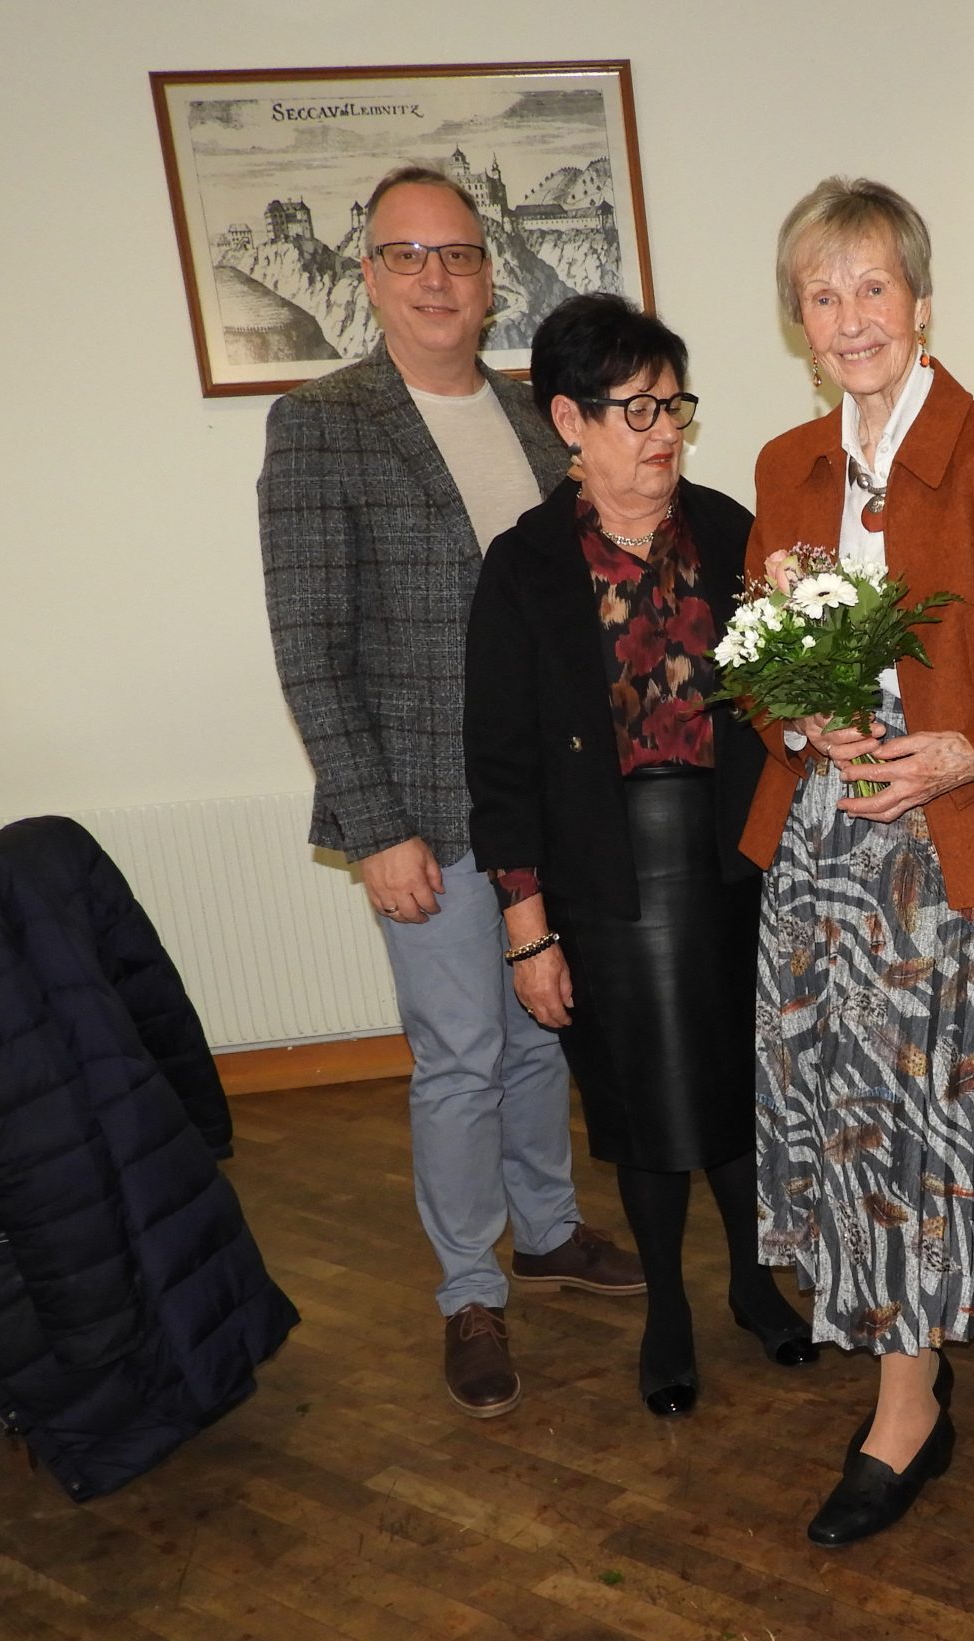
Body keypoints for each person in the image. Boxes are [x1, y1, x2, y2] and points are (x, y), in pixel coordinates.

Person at [259, 164, 641, 1423]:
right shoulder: (323, 423)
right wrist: (377, 829)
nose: (437, 278)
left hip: (539, 800)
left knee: (538, 1032)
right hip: (421, 803)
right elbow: (311, 649)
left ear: (489, 276)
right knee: (461, 1054)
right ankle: (470, 1290)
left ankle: (548, 1230)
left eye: (459, 254)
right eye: (407, 255)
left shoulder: (537, 417)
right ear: (369, 275)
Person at [745, 178, 974, 1547]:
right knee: (849, 1128)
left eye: (872, 287)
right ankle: (906, 1379)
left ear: (922, 302)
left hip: (951, 855)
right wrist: (796, 711)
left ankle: (907, 1405)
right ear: (800, 320)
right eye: (821, 295)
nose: (850, 318)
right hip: (825, 856)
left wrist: (959, 752)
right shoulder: (786, 466)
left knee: (927, 1134)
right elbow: (758, 676)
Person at [464, 294, 813, 1420]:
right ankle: (668, 1307)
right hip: (605, 878)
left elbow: (785, 705)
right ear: (569, 421)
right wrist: (528, 931)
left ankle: (754, 1284)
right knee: (648, 1108)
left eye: (674, 405)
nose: (664, 431)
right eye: (636, 410)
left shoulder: (728, 532)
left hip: (733, 864)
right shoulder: (524, 566)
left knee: (743, 1091)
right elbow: (502, 769)